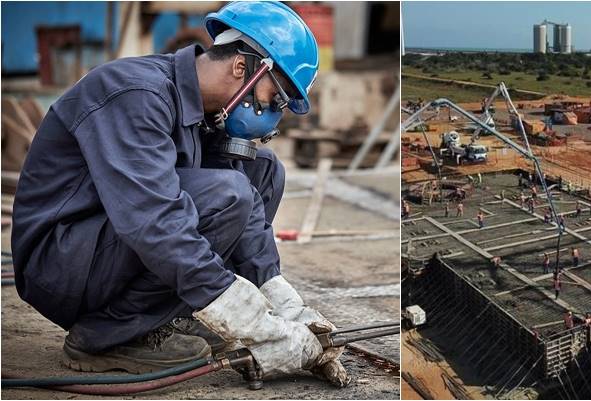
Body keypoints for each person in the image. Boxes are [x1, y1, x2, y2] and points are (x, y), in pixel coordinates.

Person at [10, 1, 348, 385]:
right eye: (275, 99)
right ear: (243, 68)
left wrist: (286, 310)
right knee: (229, 193)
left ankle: (166, 316)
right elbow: (155, 222)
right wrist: (251, 323)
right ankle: (108, 333)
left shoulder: (206, 111)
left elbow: (249, 210)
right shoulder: (136, 93)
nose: (272, 112)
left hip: (102, 248)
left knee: (262, 172)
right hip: (60, 262)